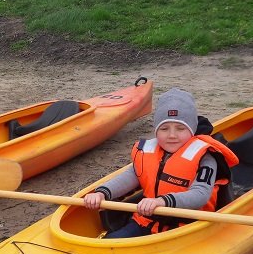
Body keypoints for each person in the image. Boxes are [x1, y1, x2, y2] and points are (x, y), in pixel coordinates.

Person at [82, 88, 239, 238]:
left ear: (191, 130)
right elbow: (131, 176)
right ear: (156, 130)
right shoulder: (148, 151)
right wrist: (102, 192)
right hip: (147, 219)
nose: (172, 135)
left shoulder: (205, 157)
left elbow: (201, 194)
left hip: (188, 226)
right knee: (112, 241)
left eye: (180, 128)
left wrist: (162, 201)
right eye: (164, 129)